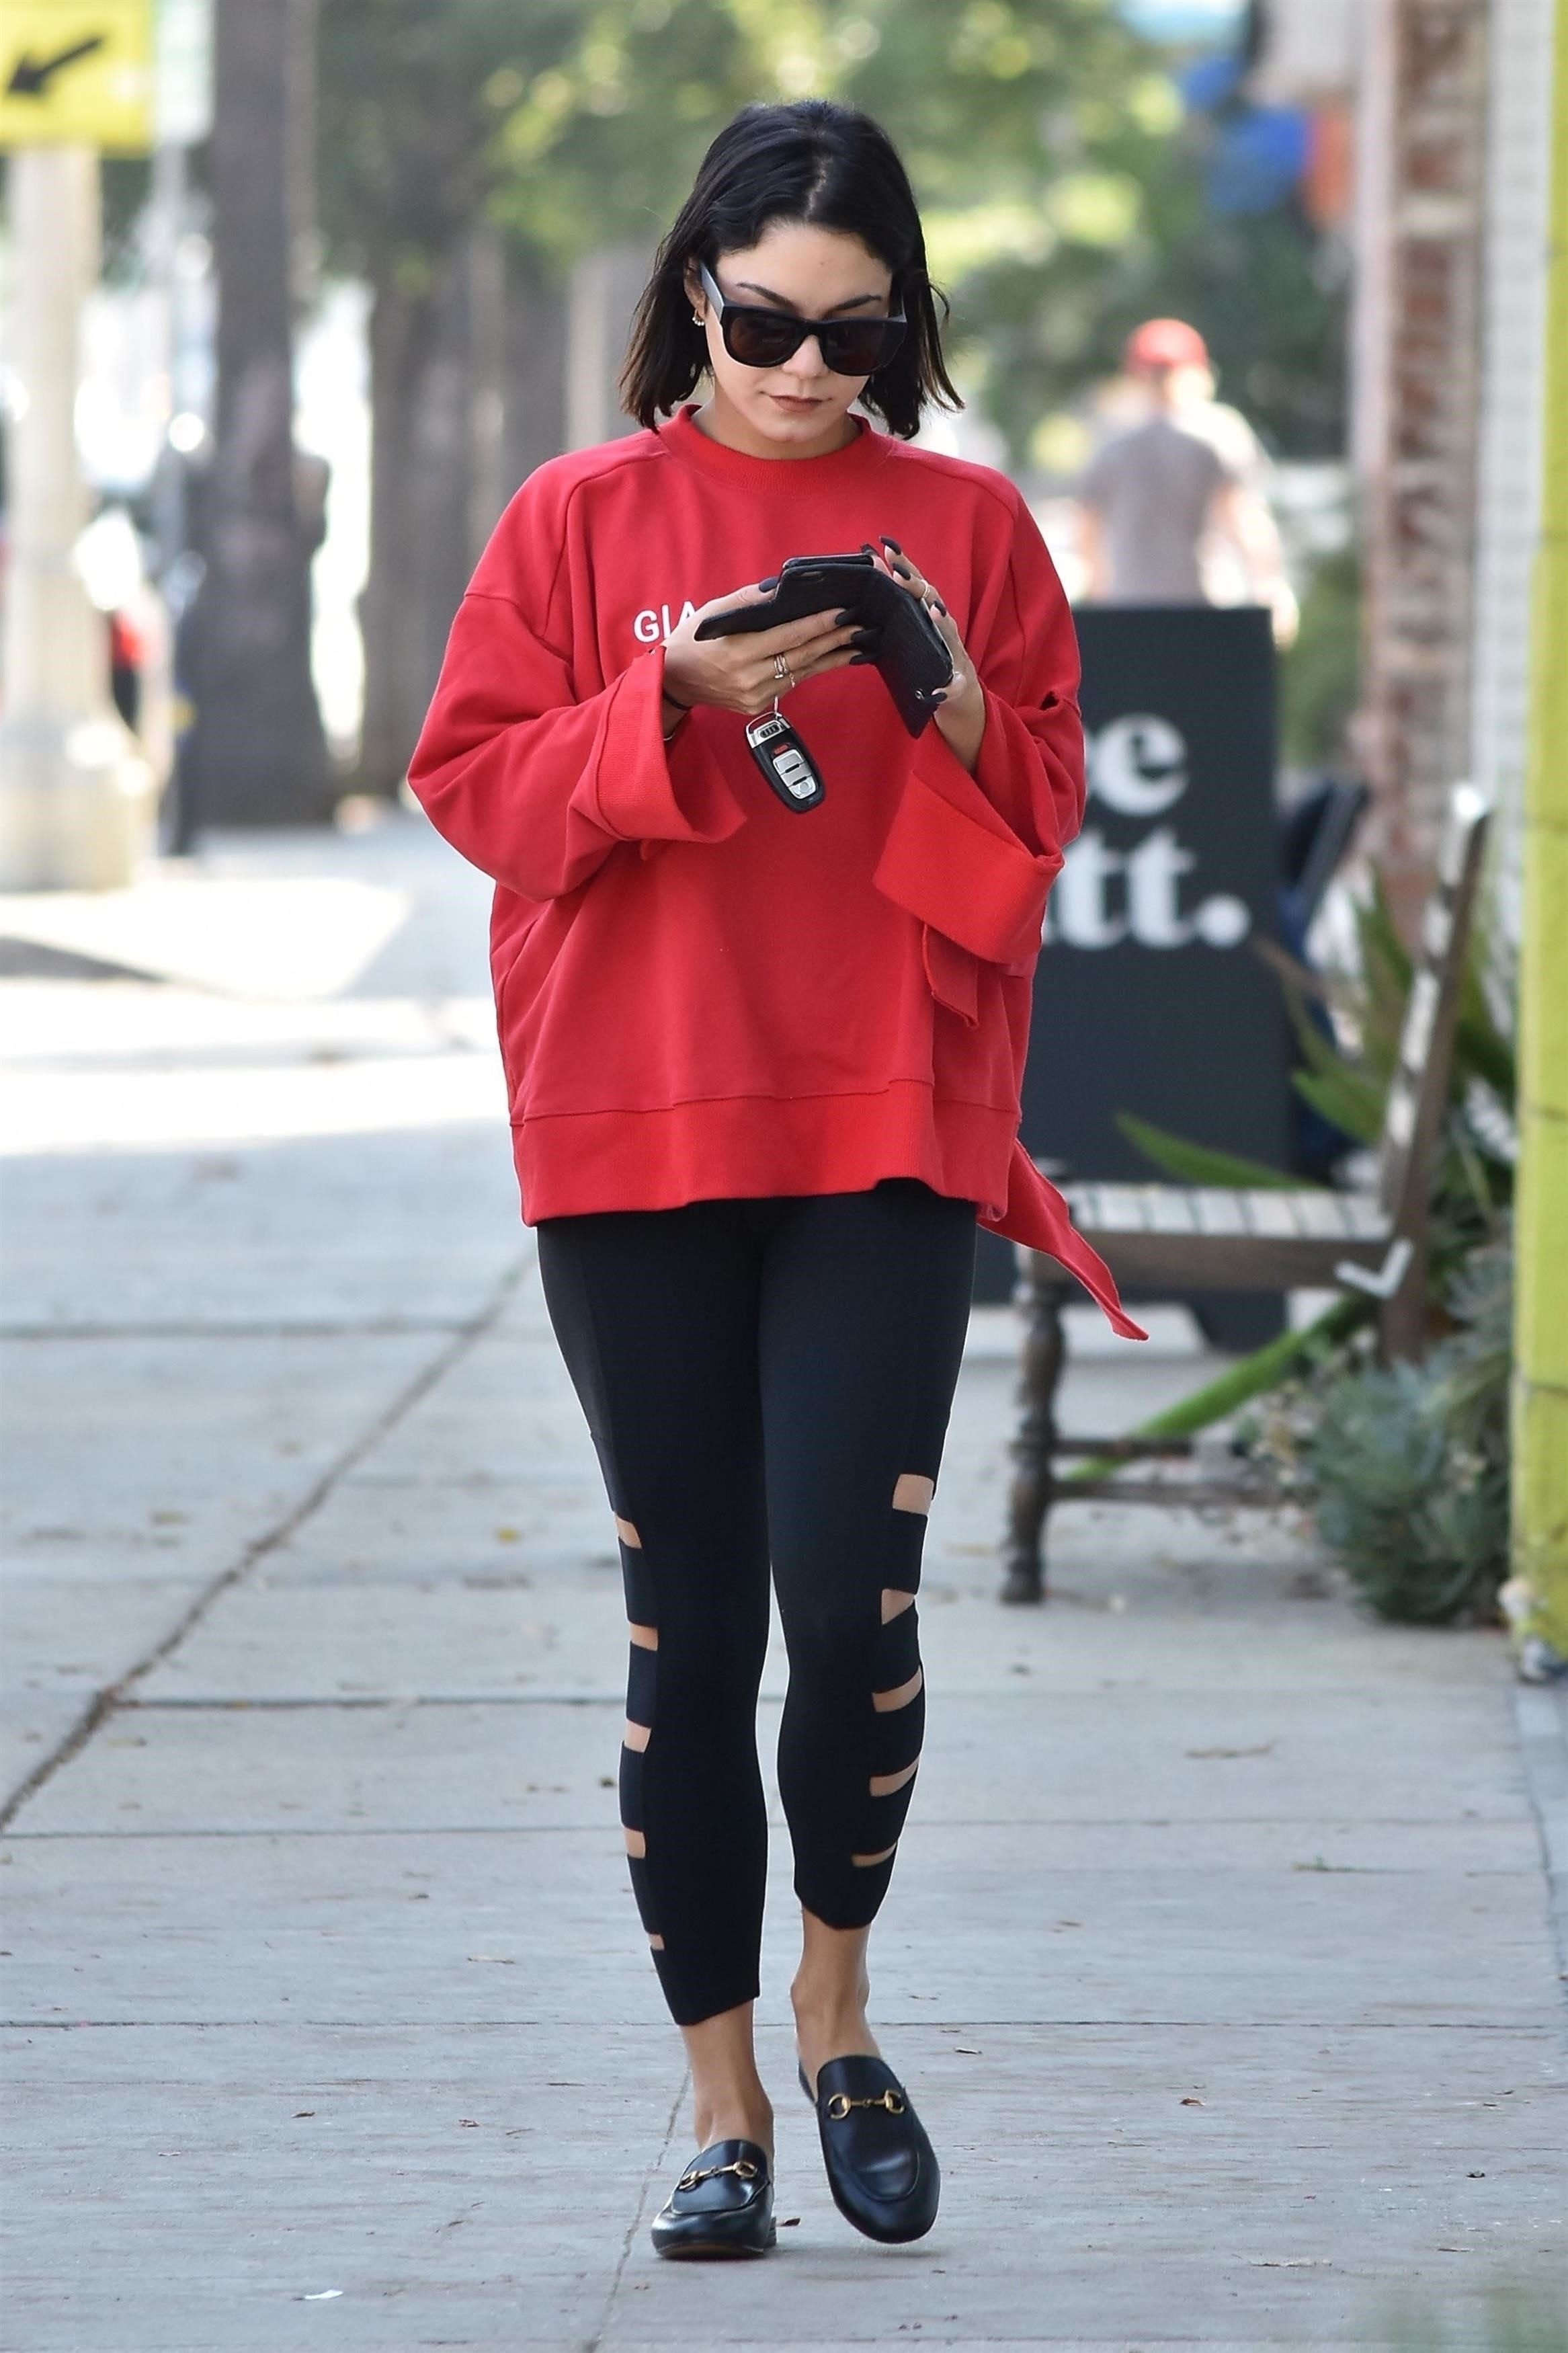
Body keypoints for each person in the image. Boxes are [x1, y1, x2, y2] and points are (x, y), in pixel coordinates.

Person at [409, 99, 1141, 2263]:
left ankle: (838, 2008)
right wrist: (670, 698)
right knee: (691, 1619)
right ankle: (722, 2096)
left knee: (848, 1604)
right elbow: (473, 786)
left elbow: (1037, 819)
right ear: (693, 296)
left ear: (905, 324)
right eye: (763, 324)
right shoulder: (575, 516)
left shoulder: (969, 524)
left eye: (856, 332)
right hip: (635, 1127)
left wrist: (944, 692)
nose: (808, 370)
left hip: (883, 1127)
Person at [1075, 317, 1298, 643]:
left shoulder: (1111, 443)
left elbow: (1087, 533)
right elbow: (1243, 518)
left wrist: (1098, 601)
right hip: (1202, 609)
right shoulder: (1219, 433)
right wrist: (1270, 585)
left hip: (1127, 609)